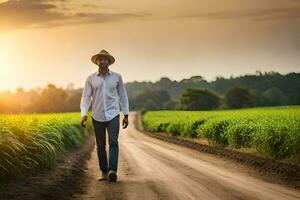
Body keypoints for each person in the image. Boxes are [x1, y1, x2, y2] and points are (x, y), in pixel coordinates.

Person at [80, 49, 129, 182]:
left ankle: (112, 170)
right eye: (100, 59)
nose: (103, 61)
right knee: (100, 145)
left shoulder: (117, 77)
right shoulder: (90, 79)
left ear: (109, 62)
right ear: (97, 62)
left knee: (113, 142)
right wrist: (83, 114)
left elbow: (123, 95)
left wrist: (126, 114)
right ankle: (104, 172)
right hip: (97, 116)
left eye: (105, 59)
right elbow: (85, 98)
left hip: (113, 114)